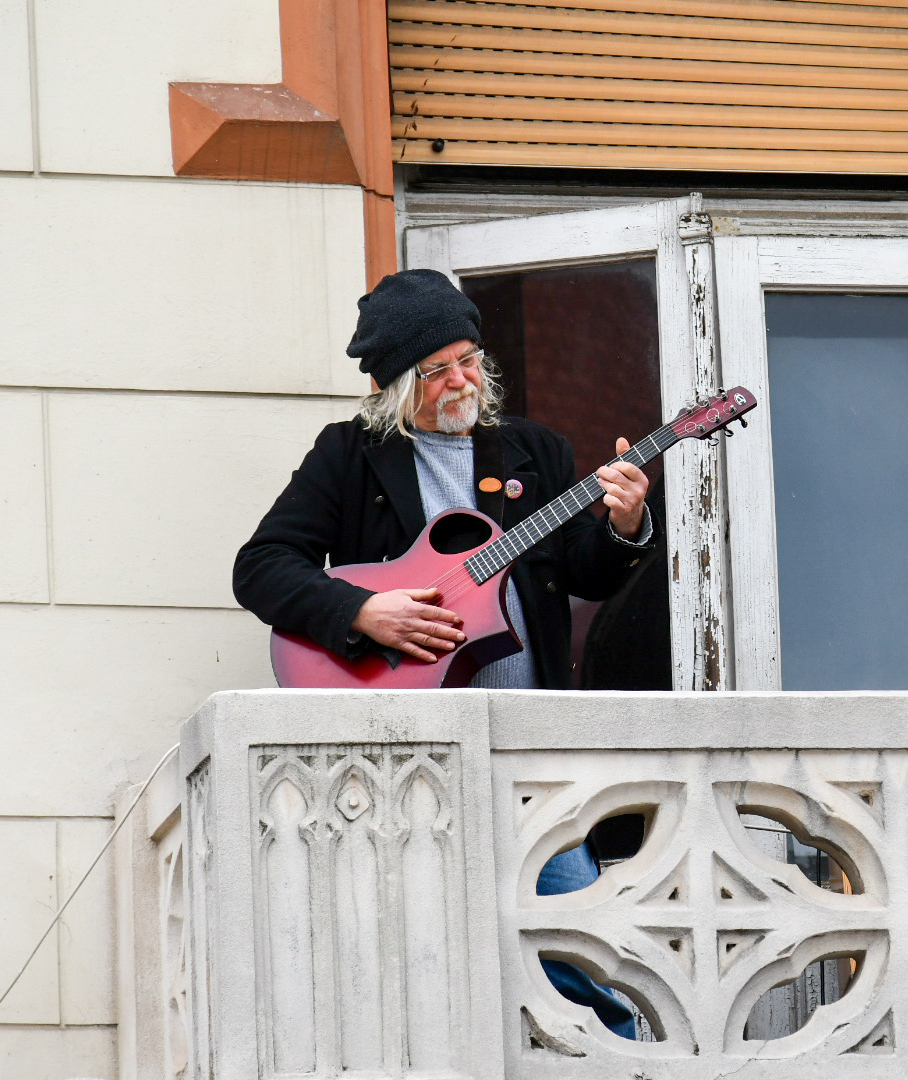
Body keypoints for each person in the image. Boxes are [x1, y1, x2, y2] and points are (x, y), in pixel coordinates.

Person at [233, 268, 649, 1037]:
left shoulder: (535, 452)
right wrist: (363, 610)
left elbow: (586, 570)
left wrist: (623, 526)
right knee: (406, 955)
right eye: (437, 369)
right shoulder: (350, 456)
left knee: (579, 943)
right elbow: (260, 568)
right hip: (401, 754)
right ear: (394, 382)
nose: (462, 379)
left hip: (530, 756)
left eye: (469, 359)